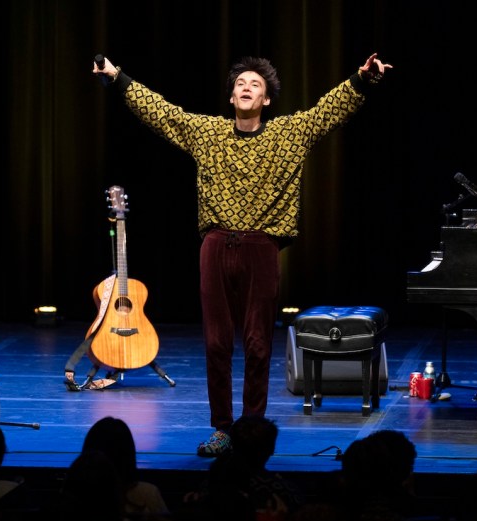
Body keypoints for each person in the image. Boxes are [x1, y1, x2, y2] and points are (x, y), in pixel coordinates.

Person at [93, 52, 392, 457]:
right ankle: (222, 429)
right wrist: (117, 76)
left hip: (261, 248)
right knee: (216, 343)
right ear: (231, 96)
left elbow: (327, 113)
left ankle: (251, 428)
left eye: (255, 84)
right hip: (215, 245)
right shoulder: (208, 133)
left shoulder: (287, 134)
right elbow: (161, 112)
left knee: (257, 345)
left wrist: (362, 80)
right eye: (240, 84)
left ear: (266, 99)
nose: (246, 88)